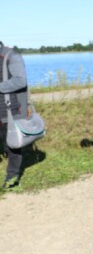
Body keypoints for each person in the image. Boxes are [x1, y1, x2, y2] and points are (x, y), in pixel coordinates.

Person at [0, 41, 28, 189]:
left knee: (12, 145)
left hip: (9, 109)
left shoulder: (12, 56)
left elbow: (20, 81)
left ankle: (12, 177)